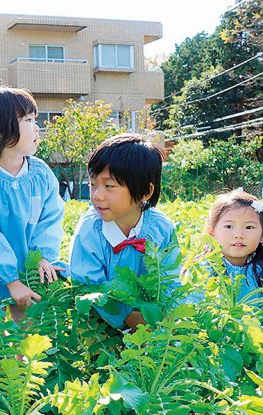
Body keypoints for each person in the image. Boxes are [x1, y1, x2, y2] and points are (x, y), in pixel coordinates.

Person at [0, 87, 65, 322]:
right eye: (27, 120)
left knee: (25, 338)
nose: (37, 127)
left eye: (34, 119)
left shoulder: (41, 173)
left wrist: (43, 257)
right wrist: (10, 280)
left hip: (26, 273)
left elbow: (50, 220)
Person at [69, 133, 181, 330]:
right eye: (92, 184)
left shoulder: (160, 228)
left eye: (109, 186)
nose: (97, 196)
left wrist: (165, 316)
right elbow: (88, 286)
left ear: (146, 192)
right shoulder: (91, 230)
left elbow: (170, 279)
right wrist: (127, 316)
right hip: (100, 327)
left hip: (154, 322)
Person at [201, 189, 263, 306]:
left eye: (249, 227)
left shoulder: (262, 270)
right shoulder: (202, 270)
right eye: (229, 226)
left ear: (262, 235)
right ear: (212, 231)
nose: (238, 235)